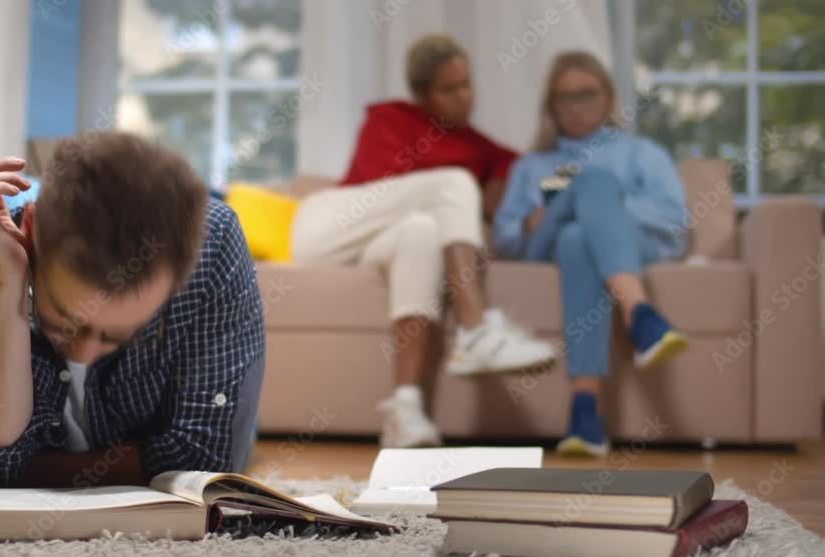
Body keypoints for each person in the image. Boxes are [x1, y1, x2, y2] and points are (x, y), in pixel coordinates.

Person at [0, 132, 266, 501]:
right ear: (30, 229)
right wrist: (7, 282)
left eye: (117, 335)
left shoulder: (212, 248)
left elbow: (209, 460)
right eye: (65, 322)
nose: (83, 353)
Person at [289, 34, 556, 450]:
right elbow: (390, 183)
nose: (465, 97)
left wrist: (510, 188)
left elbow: (515, 175)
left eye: (467, 84)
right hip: (326, 228)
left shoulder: (476, 144)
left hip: (379, 245)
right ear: (422, 94)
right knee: (452, 184)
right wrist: (468, 184)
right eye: (450, 89)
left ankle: (405, 409)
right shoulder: (388, 119)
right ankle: (476, 329)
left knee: (423, 232)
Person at [494, 51, 690, 457]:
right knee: (591, 187)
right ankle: (640, 315)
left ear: (608, 97)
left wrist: (604, 211)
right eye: (565, 97)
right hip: (542, 247)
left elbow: (676, 221)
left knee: (577, 236)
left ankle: (586, 412)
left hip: (626, 242)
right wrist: (528, 223)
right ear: (551, 104)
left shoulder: (642, 154)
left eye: (587, 94)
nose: (577, 106)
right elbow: (504, 238)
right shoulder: (531, 166)